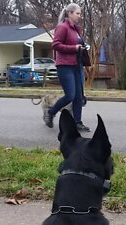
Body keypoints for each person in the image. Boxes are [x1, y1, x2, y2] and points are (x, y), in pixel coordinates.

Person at [44, 2, 91, 132]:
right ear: (69, 13)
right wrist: (74, 48)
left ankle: (77, 123)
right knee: (70, 95)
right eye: (77, 13)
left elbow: (76, 44)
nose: (79, 16)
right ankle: (50, 112)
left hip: (77, 65)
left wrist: (82, 47)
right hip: (65, 66)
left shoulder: (76, 29)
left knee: (78, 96)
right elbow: (56, 45)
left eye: (80, 13)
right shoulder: (62, 27)